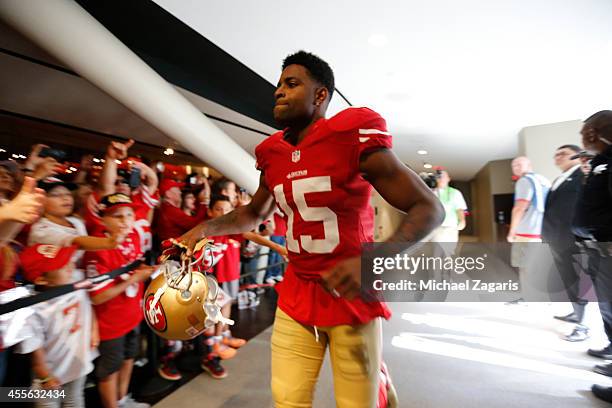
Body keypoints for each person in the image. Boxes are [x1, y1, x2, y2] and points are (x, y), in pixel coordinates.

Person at [180, 50, 443, 407]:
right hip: (297, 292)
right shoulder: (271, 153)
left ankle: (379, 381)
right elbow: (255, 213)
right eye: (278, 84)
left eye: (291, 83)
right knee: (287, 399)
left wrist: (371, 260)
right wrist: (205, 228)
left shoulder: (350, 134)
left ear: (321, 95)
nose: (278, 91)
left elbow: (429, 208)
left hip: (350, 295)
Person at [83, 193, 154, 408]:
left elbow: (133, 267)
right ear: (102, 219)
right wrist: (134, 278)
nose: (125, 221)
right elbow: (97, 296)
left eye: (129, 214)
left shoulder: (132, 236)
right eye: (117, 216)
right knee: (109, 369)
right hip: (111, 322)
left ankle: (123, 399)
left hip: (132, 312)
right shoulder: (96, 248)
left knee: (129, 357)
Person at [561, 111, 612, 402]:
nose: (582, 139)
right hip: (598, 247)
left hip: (608, 248)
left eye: (584, 133)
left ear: (595, 132)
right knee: (607, 310)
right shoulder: (599, 163)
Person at [17, 244, 97, 408]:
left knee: (74, 398)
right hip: (51, 371)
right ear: (41, 279)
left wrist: (94, 329)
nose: (70, 265)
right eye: (61, 264)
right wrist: (45, 376)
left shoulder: (74, 280)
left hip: (77, 361)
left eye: (68, 259)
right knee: (48, 403)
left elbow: (87, 305)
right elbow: (35, 350)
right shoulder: (33, 309)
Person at [541, 145, 587, 341]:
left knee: (581, 281)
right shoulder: (559, 179)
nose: (557, 157)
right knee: (568, 279)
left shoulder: (582, 176)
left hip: (572, 239)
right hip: (557, 238)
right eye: (556, 153)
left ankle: (584, 325)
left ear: (577, 156)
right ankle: (576, 314)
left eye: (563, 153)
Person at [427, 170, 467, 255]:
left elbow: (459, 209)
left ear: (449, 179)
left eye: (443, 176)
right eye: (439, 176)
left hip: (451, 228)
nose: (441, 178)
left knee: (450, 253)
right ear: (436, 179)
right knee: (436, 253)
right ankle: (437, 268)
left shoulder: (455, 193)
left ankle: (449, 268)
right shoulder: (431, 193)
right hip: (436, 228)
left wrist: (462, 220)